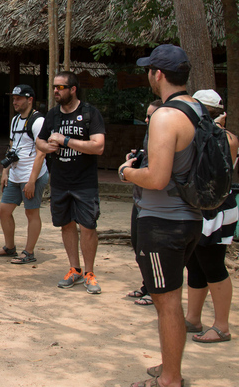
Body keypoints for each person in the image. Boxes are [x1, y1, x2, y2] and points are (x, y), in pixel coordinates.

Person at [117, 44, 231, 387]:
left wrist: (127, 172)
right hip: (191, 219)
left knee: (166, 303)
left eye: (149, 70)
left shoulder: (166, 116)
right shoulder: (197, 110)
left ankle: (170, 378)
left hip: (162, 223)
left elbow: (157, 178)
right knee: (171, 299)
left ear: (159, 75)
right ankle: (170, 366)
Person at [36, 71, 105, 294]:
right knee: (66, 224)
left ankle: (89, 272)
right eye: (54, 87)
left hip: (84, 182)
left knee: (87, 226)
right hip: (59, 181)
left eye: (61, 87)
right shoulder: (53, 115)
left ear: (73, 89)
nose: (56, 91)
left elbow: (98, 146)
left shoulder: (90, 113)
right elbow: (40, 140)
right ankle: (74, 269)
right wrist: (46, 147)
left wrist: (65, 140)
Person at [183, 89, 237, 344]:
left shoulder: (225, 138)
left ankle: (222, 325)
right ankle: (193, 318)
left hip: (217, 208)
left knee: (213, 263)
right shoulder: (196, 134)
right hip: (198, 206)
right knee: (194, 262)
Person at [0, 84, 49, 264]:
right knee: (3, 210)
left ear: (30, 100)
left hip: (33, 174)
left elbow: (41, 152)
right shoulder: (15, 120)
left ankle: (29, 252)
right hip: (15, 173)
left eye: (18, 98)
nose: (15, 101)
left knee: (31, 212)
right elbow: (12, 146)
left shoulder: (38, 121)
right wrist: (4, 171)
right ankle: (10, 247)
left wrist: (31, 181)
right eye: (13, 98)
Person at [127, 99, 162, 307]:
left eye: (151, 116)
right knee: (138, 245)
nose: (146, 119)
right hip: (139, 200)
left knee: (151, 249)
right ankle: (146, 285)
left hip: (154, 204)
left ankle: (155, 291)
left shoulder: (164, 140)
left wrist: (128, 171)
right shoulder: (150, 137)